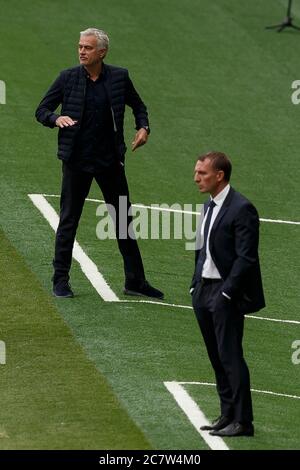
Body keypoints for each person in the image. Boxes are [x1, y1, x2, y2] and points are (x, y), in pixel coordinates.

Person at [35, 28, 163, 300]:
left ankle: (135, 282)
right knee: (69, 220)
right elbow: (41, 110)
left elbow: (139, 106)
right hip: (77, 162)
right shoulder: (67, 78)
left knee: (122, 221)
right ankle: (60, 280)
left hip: (109, 162)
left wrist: (144, 128)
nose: (82, 51)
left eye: (88, 48)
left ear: (102, 52)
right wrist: (55, 119)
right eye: (80, 46)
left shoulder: (119, 77)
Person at [190, 151, 265, 437]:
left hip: (224, 294)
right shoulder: (208, 206)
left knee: (230, 356)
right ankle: (227, 413)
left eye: (203, 173)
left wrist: (226, 294)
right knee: (216, 356)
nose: (197, 178)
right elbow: (202, 248)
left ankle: (243, 421)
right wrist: (195, 284)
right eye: (197, 172)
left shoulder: (242, 208)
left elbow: (247, 258)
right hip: (204, 291)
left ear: (219, 175)